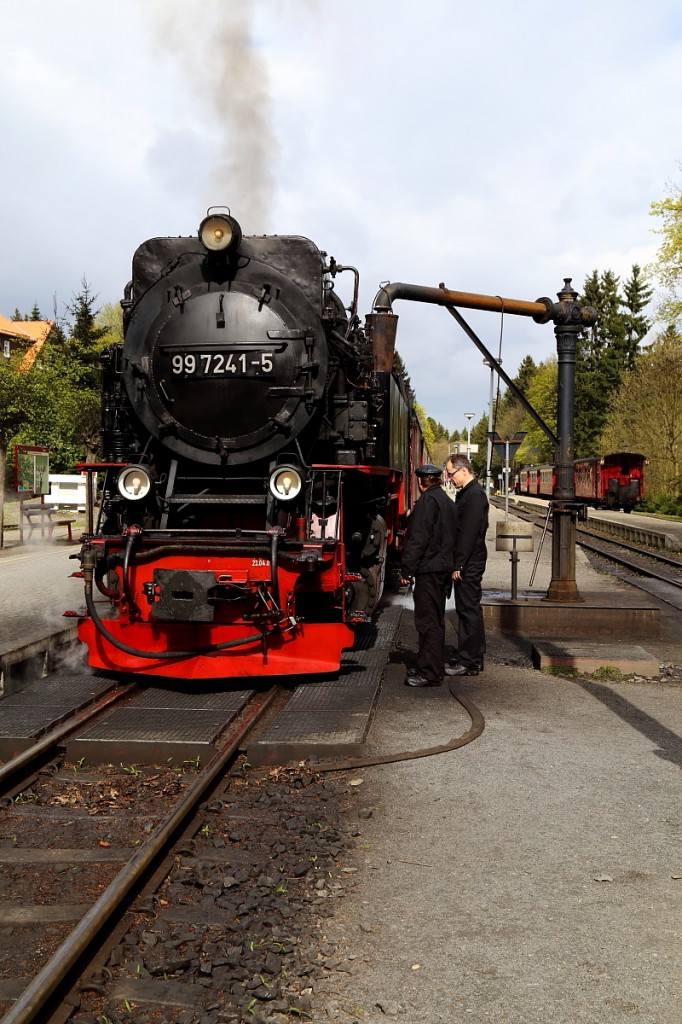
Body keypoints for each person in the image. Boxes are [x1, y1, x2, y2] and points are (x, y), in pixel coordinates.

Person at [399, 464, 458, 687]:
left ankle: (429, 673)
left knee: (427, 621)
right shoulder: (448, 502)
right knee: (436, 619)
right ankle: (431, 664)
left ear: (421, 482)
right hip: (442, 570)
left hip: (429, 570)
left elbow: (417, 539)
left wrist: (407, 570)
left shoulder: (426, 503)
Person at [444, 454, 489, 677]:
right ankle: (474, 656)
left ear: (463, 471)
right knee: (470, 608)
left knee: (467, 609)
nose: (449, 478)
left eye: (451, 474)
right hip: (470, 560)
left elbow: (468, 534)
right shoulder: (469, 493)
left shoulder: (474, 496)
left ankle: (469, 660)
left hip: (469, 562)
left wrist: (458, 564)